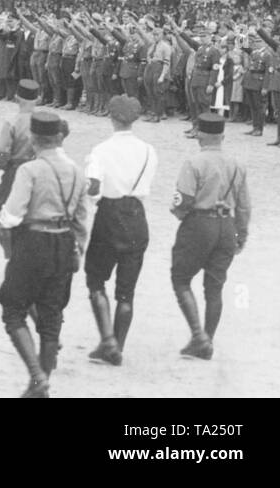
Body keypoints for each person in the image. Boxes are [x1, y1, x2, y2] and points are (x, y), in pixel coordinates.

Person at [0, 111, 89, 397]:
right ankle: (41, 385)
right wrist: (77, 249)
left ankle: (37, 376)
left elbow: (12, 215)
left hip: (33, 242)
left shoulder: (30, 170)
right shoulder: (76, 170)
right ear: (58, 137)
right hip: (63, 242)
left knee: (13, 310)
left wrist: (2, 218)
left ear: (33, 139)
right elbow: (82, 218)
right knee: (51, 318)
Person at [169, 112, 251, 360]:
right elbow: (244, 206)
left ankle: (198, 336)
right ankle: (207, 339)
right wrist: (241, 233)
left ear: (199, 136)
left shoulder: (194, 163)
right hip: (226, 225)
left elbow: (181, 202)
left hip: (199, 223)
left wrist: (183, 216)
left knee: (181, 278)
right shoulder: (237, 164)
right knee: (214, 288)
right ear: (223, 136)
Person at [84, 95, 157, 366]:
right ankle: (118, 344)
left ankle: (107, 340)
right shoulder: (149, 150)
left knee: (95, 279)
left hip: (108, 214)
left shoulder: (100, 150)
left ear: (111, 117)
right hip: (137, 216)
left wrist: (89, 196)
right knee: (127, 291)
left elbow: (93, 186)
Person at [0, 79, 40, 258]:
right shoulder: (40, 120)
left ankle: (11, 251)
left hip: (16, 170)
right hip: (38, 168)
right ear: (38, 99)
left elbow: (3, 153)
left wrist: (2, 165)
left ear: (17, 98)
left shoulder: (12, 122)